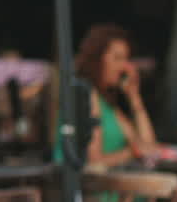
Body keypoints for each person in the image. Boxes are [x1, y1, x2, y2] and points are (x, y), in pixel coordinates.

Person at [65, 23, 157, 167]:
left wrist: (134, 97)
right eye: (117, 58)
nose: (124, 67)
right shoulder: (87, 96)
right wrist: (133, 152)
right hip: (83, 181)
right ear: (97, 59)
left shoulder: (108, 105)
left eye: (126, 59)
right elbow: (93, 162)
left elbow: (149, 146)